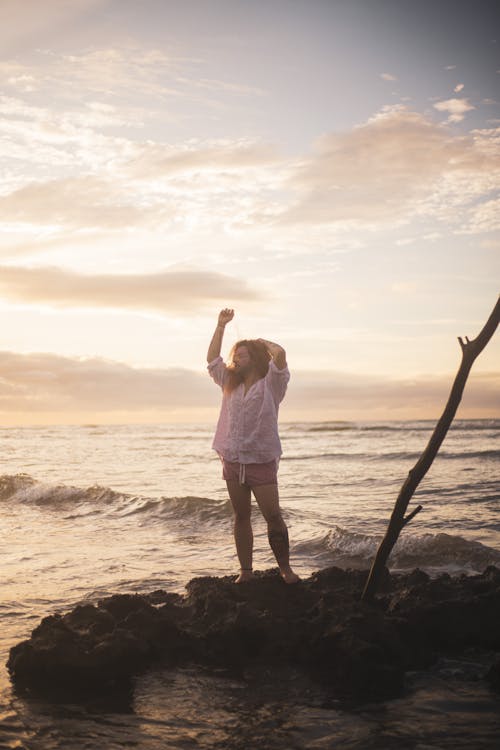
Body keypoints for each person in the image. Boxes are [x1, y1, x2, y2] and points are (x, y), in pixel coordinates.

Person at [207, 308, 299, 584]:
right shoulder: (228, 383)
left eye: (243, 354)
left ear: (256, 358)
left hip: (261, 459)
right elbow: (212, 359)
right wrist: (221, 326)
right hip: (232, 457)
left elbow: (280, 356)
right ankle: (246, 572)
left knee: (273, 515)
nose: (237, 357)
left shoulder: (272, 383)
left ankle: (285, 569)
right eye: (237, 354)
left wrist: (262, 343)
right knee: (241, 516)